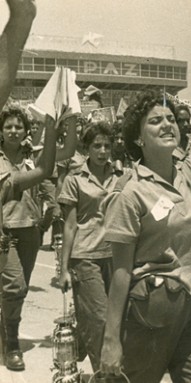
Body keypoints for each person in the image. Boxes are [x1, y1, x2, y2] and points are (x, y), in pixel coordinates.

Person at [100, 53, 191, 382]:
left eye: (170, 119)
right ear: (137, 137)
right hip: (151, 310)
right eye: (155, 121)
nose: (167, 125)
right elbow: (120, 271)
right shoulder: (130, 193)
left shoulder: (187, 171)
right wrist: (110, 340)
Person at [0, 106, 74, 371]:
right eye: (8, 126)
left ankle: (5, 325)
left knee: (16, 291)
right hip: (4, 233)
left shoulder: (33, 157)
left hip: (30, 231)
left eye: (18, 126)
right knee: (15, 287)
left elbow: (62, 157)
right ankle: (12, 343)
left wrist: (68, 121)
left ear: (26, 131)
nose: (13, 131)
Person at [57, 122, 123, 372]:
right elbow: (70, 226)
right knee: (100, 323)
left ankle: (80, 341)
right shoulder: (75, 180)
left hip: (116, 257)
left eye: (107, 145)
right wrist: (63, 269)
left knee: (114, 321)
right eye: (97, 146)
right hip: (85, 257)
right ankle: (102, 375)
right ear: (87, 149)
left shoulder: (121, 177)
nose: (103, 151)